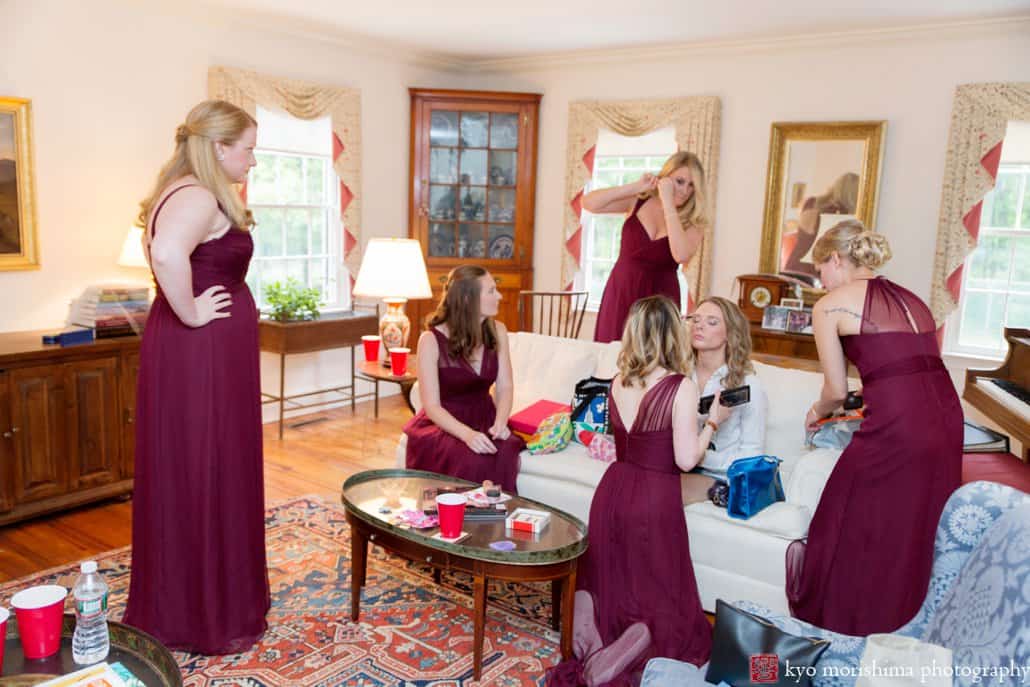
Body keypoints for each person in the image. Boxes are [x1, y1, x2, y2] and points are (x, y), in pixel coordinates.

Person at [123, 100, 270, 654]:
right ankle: (208, 609)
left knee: (191, 461)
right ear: (218, 147)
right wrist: (190, 312)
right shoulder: (198, 194)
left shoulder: (175, 189)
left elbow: (168, 252)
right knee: (208, 462)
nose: (252, 160)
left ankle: (187, 598)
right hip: (202, 349)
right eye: (248, 148)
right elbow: (166, 253)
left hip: (194, 347)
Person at [786, 220, 962, 635]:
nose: (821, 281)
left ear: (834, 260)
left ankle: (846, 625)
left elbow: (834, 388)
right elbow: (906, 367)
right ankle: (907, 625)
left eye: (820, 271)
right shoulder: (912, 299)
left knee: (841, 511)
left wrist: (817, 411)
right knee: (913, 523)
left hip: (901, 426)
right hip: (946, 417)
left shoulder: (829, 306)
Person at [549, 296, 720, 687]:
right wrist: (713, 423)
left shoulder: (617, 381)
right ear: (673, 334)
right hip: (654, 495)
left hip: (613, 489)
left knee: (615, 576)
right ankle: (643, 637)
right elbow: (686, 459)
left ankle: (603, 637)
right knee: (658, 584)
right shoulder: (682, 387)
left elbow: (621, 440)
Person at [404, 265, 524, 493]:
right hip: (445, 423)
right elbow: (431, 406)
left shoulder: (498, 331)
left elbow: (505, 386)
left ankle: (491, 519)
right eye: (491, 291)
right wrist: (467, 435)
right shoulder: (430, 340)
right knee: (473, 458)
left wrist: (500, 421)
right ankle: (457, 519)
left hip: (485, 416)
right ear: (468, 299)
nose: (499, 296)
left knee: (506, 449)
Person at [587, 152, 709, 343]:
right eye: (680, 181)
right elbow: (589, 203)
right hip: (622, 291)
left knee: (653, 363)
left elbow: (681, 255)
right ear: (665, 178)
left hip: (660, 301)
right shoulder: (638, 200)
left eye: (692, 185)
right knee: (610, 358)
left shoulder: (695, 222)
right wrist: (635, 187)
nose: (685, 190)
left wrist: (668, 202)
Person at [679, 296, 768, 505]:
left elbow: (752, 453)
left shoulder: (747, 385)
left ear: (730, 334)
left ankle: (721, 493)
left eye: (712, 322)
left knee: (665, 491)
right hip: (681, 464)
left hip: (722, 474)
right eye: (696, 319)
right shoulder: (680, 376)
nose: (699, 326)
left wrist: (699, 456)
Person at [782, 172, 859, 277]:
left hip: (793, 265)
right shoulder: (840, 215)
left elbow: (805, 235)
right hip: (815, 270)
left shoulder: (810, 203)